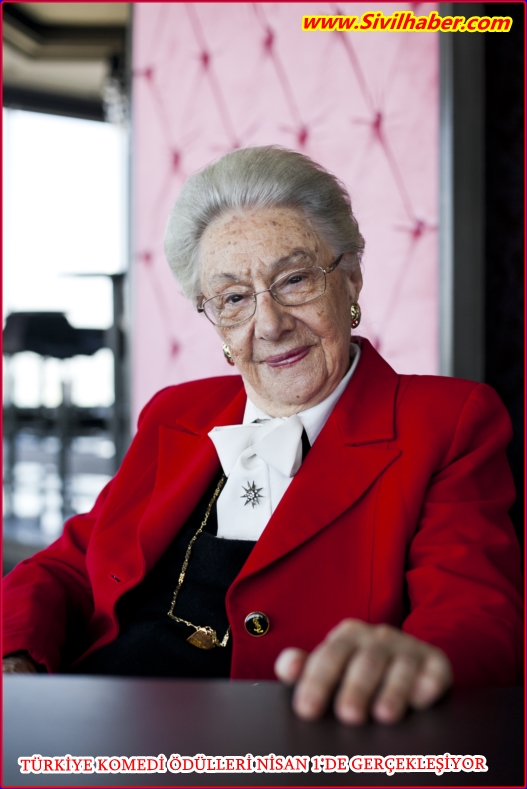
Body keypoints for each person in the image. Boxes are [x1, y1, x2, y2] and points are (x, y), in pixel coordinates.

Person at [3, 146, 522, 727]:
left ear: (351, 278)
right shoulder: (176, 412)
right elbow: (71, 567)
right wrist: (16, 657)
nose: (269, 324)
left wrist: (413, 666)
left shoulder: (447, 422)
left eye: (294, 279)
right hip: (100, 720)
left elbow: (476, 620)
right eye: (233, 299)